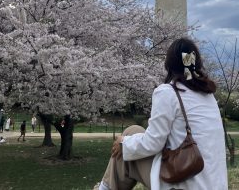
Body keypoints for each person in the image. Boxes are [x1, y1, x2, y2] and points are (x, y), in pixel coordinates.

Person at [96, 37, 228, 190]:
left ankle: (104, 187)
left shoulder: (168, 92)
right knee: (133, 134)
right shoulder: (207, 95)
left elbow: (153, 143)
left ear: (169, 64)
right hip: (214, 183)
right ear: (196, 62)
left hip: (185, 181)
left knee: (128, 140)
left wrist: (124, 144)